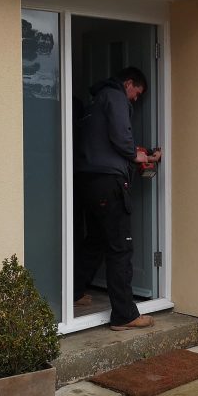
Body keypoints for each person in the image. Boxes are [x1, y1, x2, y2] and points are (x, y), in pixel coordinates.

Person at [73, 66, 162, 330]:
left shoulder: (96, 100)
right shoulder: (115, 96)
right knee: (120, 247)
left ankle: (75, 292)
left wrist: (136, 152)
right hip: (109, 183)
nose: (136, 99)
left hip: (88, 180)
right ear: (128, 83)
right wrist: (140, 156)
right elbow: (122, 138)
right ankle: (125, 315)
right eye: (137, 93)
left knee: (96, 239)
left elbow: (109, 141)